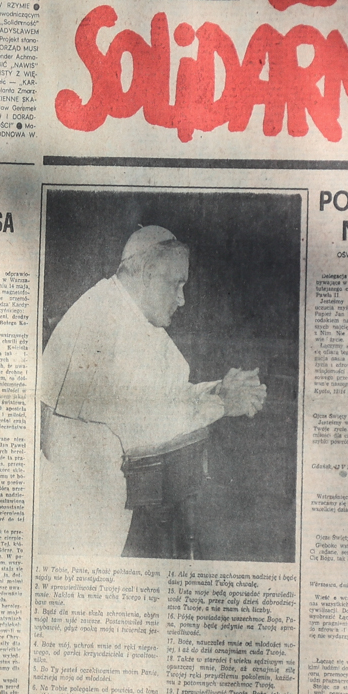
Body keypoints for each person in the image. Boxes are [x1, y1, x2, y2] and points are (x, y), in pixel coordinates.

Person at [37, 226, 267, 556]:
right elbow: (147, 427)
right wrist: (221, 404)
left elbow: (166, 394)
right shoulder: (102, 318)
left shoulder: (129, 311)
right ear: (147, 273)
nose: (182, 299)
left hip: (113, 502)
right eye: (176, 284)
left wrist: (218, 389)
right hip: (79, 519)